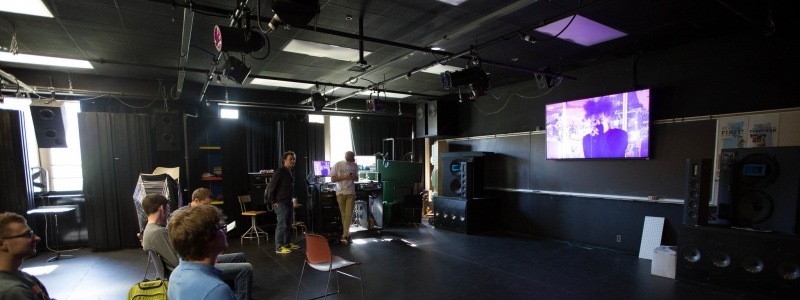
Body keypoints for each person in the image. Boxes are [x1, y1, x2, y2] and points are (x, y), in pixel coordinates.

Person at [142, 193, 253, 300]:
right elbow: (176, 260)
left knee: (240, 257)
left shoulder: (152, 230)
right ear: (162, 208)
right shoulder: (156, 233)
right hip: (192, 265)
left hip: (190, 263)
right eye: (219, 228)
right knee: (245, 269)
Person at [167, 205, 235, 300]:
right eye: (220, 227)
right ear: (208, 238)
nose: (224, 232)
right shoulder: (217, 290)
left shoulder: (176, 274)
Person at [0, 212, 52, 300]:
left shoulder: (24, 277)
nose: (37, 238)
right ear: (2, 244)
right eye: (27, 235)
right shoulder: (13, 291)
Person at [266, 151, 301, 254]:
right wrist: (273, 201)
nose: (293, 161)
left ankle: (287, 243)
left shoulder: (289, 171)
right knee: (282, 225)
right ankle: (279, 247)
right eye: (291, 159)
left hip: (288, 202)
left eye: (294, 159)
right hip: (280, 203)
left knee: (288, 224)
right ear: (284, 160)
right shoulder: (280, 171)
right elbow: (270, 187)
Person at [331, 151, 359, 244]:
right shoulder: (338, 164)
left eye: (352, 160)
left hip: (351, 192)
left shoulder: (354, 165)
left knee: (349, 215)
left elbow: (357, 178)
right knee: (344, 215)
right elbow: (332, 179)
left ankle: (345, 235)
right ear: (346, 157)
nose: (351, 162)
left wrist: (353, 177)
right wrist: (345, 177)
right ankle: (348, 234)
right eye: (349, 160)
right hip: (340, 192)